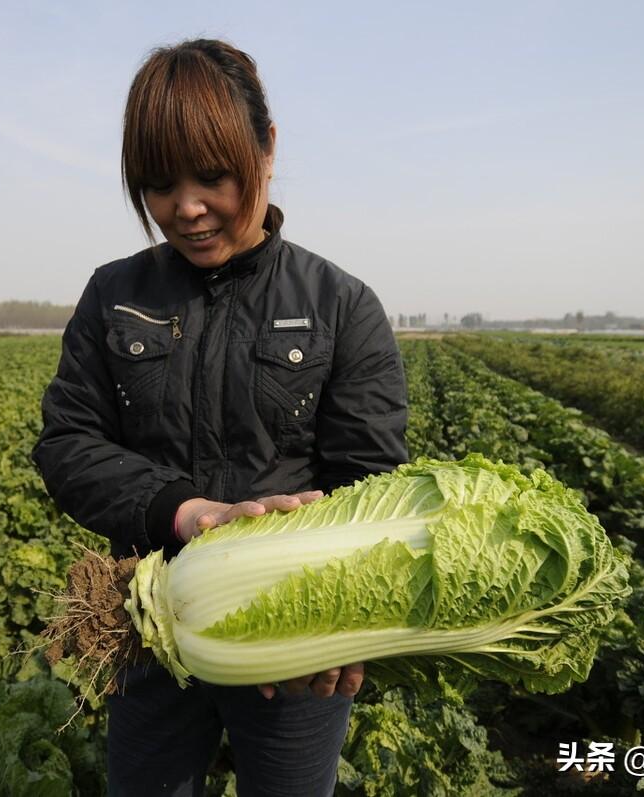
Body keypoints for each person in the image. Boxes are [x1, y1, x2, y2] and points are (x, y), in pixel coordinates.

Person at [33, 38, 408, 797]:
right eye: (158, 184)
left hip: (293, 639)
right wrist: (186, 511)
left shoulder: (340, 305)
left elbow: (371, 484)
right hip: (152, 625)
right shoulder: (115, 294)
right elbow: (68, 442)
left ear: (266, 147)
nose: (186, 208)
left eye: (211, 175)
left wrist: (344, 618)